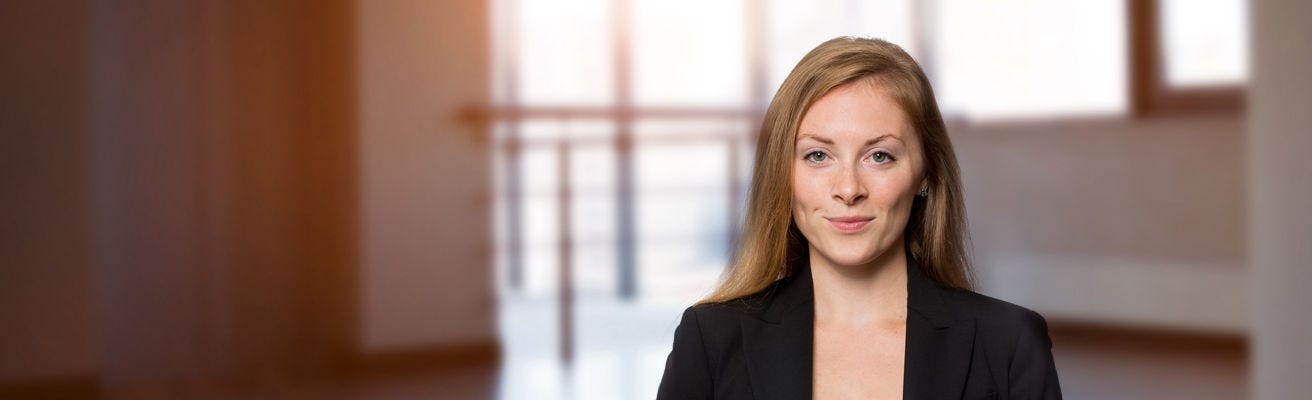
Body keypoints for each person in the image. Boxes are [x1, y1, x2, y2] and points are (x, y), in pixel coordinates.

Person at [655, 37, 1062, 399]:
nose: (848, 189)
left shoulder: (1009, 344)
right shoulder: (710, 340)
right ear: (782, 173)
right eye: (818, 155)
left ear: (925, 175)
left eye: (879, 156)